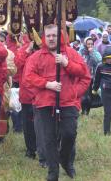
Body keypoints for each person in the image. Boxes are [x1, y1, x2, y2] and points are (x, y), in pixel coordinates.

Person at [24, 24, 91, 181]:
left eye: (54, 35)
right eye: (48, 36)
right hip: (45, 104)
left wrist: (67, 64)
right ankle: (53, 173)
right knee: (49, 139)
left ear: (59, 36)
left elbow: (84, 73)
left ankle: (65, 160)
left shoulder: (70, 54)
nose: (51, 38)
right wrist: (47, 85)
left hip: (68, 102)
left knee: (69, 133)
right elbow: (28, 78)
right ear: (44, 38)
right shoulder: (36, 57)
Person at [16, 40, 45, 166]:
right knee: (28, 125)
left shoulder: (44, 50)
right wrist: (28, 50)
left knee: (41, 125)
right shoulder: (24, 49)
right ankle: (30, 149)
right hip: (26, 95)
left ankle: (43, 150)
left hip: (40, 94)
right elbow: (17, 63)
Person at [79, 37, 102, 115]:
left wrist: (92, 53)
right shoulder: (81, 52)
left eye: (91, 44)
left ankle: (87, 112)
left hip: (92, 77)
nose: (90, 45)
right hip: (82, 77)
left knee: (89, 97)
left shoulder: (95, 51)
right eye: (88, 44)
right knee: (83, 97)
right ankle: (83, 110)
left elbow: (99, 60)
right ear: (85, 44)